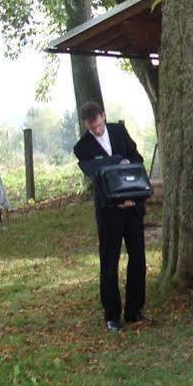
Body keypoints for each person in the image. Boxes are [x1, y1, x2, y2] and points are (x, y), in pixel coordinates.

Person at [73, 102, 148, 331]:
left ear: (103, 116)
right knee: (109, 262)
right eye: (91, 127)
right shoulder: (82, 147)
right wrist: (114, 165)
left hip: (133, 205)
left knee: (138, 259)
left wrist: (126, 163)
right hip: (109, 211)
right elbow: (96, 177)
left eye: (98, 124)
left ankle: (134, 310)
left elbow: (137, 158)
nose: (96, 130)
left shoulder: (118, 131)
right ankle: (112, 314)